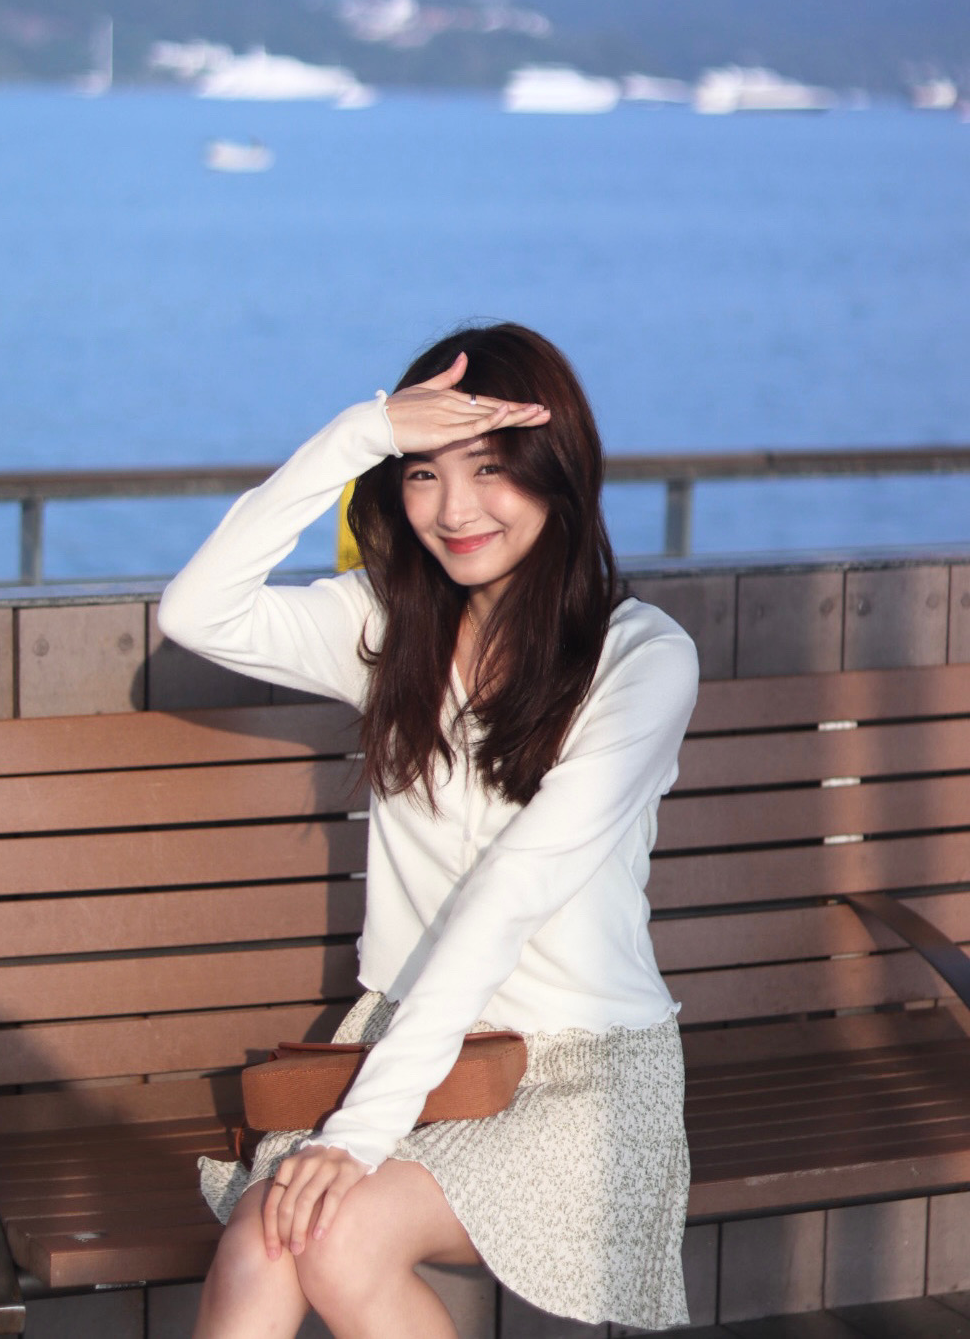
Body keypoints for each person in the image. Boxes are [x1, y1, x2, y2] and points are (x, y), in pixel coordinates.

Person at [158, 322, 699, 1339]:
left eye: (490, 468)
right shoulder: (384, 627)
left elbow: (513, 892)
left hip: (582, 1070)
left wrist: (357, 1135)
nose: (455, 509)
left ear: (558, 469)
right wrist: (361, 431)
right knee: (268, 1239)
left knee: (333, 1233)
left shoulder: (640, 658)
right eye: (422, 472)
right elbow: (197, 612)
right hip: (408, 1041)